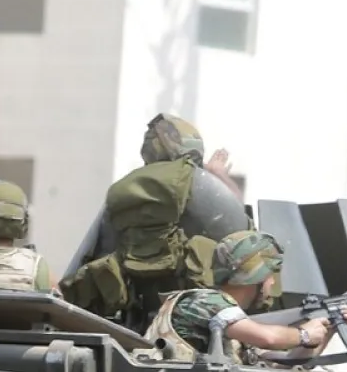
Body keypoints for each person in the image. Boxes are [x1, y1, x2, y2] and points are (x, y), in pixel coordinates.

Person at [59, 114, 250, 330]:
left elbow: (97, 248)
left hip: (132, 314)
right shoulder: (201, 186)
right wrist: (219, 175)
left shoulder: (125, 187)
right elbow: (242, 230)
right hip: (198, 312)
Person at [142, 230, 347, 363]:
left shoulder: (236, 329)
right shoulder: (203, 302)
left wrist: (328, 329)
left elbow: (286, 364)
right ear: (255, 276)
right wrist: (304, 334)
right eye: (270, 276)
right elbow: (269, 339)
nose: (272, 283)